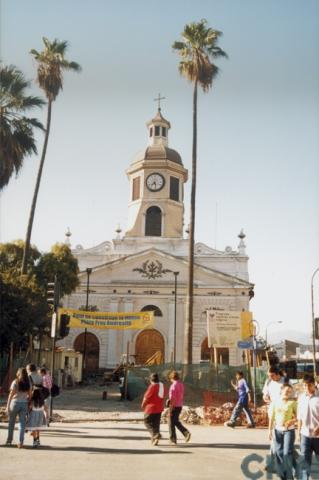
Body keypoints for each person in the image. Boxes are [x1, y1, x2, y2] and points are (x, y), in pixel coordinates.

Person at [268, 384, 297, 479]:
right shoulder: (275, 402)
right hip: (278, 431)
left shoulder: (292, 403)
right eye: (286, 390)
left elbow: (299, 417)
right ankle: (283, 475)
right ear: (282, 390)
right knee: (279, 453)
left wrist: (291, 421)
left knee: (287, 453)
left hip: (289, 431)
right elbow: (271, 418)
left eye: (290, 391)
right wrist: (269, 431)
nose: (288, 393)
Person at [297, 374, 319, 479]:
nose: (307, 388)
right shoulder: (301, 398)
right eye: (305, 386)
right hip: (305, 434)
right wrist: (298, 434)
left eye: (309, 385)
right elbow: (299, 417)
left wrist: (318, 428)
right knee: (305, 461)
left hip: (318, 437)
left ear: (314, 385)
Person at [5, 368, 31, 448]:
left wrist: (7, 405)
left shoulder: (15, 382)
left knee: (11, 423)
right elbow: (30, 395)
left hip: (15, 403)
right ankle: (21, 442)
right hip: (24, 404)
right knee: (22, 424)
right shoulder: (28, 383)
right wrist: (27, 402)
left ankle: (9, 440)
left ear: (18, 373)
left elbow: (11, 395)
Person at [168, 370, 191, 444]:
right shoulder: (181, 384)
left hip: (174, 405)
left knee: (171, 422)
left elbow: (173, 398)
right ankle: (185, 433)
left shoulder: (173, 386)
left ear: (171, 378)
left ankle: (173, 439)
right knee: (175, 421)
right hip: (179, 405)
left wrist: (170, 409)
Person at [141, 373, 165, 446]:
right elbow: (163, 395)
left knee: (146, 421)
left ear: (151, 379)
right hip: (159, 408)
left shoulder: (152, 386)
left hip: (151, 408)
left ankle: (155, 434)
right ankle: (155, 440)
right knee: (156, 424)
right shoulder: (162, 386)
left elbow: (146, 397)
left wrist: (143, 405)